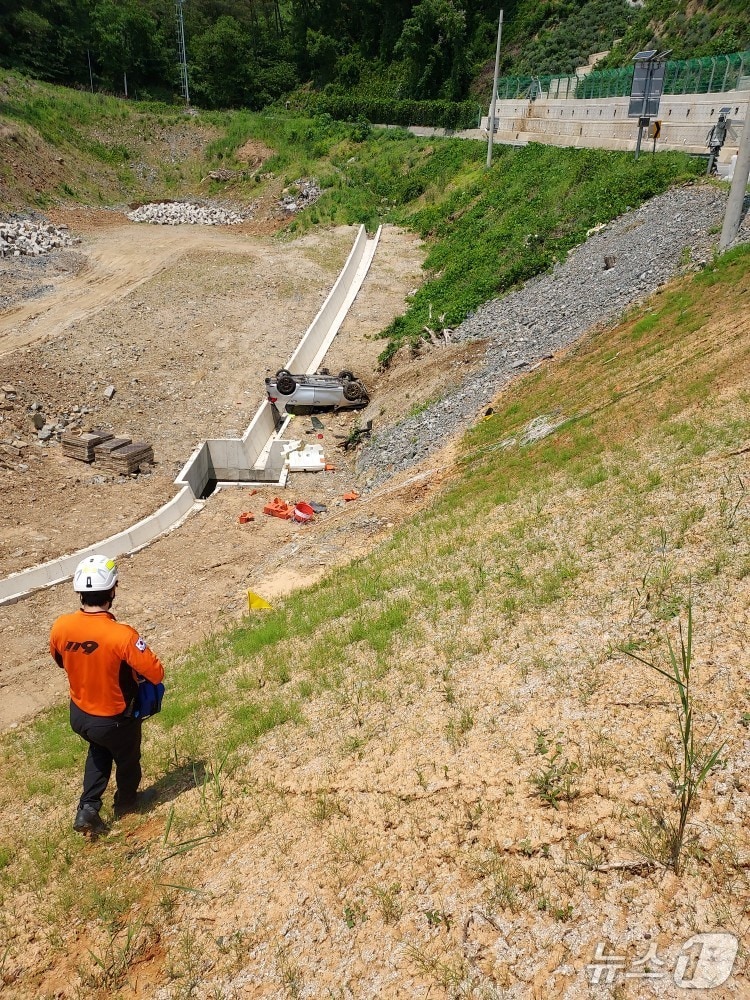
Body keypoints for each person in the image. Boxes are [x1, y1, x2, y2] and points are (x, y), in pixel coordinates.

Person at [50, 554, 165, 836]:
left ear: (80, 592)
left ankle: (88, 808)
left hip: (80, 715)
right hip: (114, 718)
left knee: (99, 751)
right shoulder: (122, 635)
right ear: (112, 590)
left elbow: (60, 660)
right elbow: (156, 673)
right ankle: (126, 803)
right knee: (127, 759)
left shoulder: (61, 626)